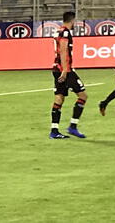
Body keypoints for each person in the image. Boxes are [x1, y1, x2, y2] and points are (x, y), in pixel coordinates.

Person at [49, 11, 88, 139]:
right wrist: (65, 70)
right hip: (65, 70)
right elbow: (63, 51)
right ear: (72, 21)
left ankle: (54, 130)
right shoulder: (65, 32)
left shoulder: (58, 31)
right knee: (82, 96)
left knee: (59, 97)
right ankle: (73, 126)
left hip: (56, 69)